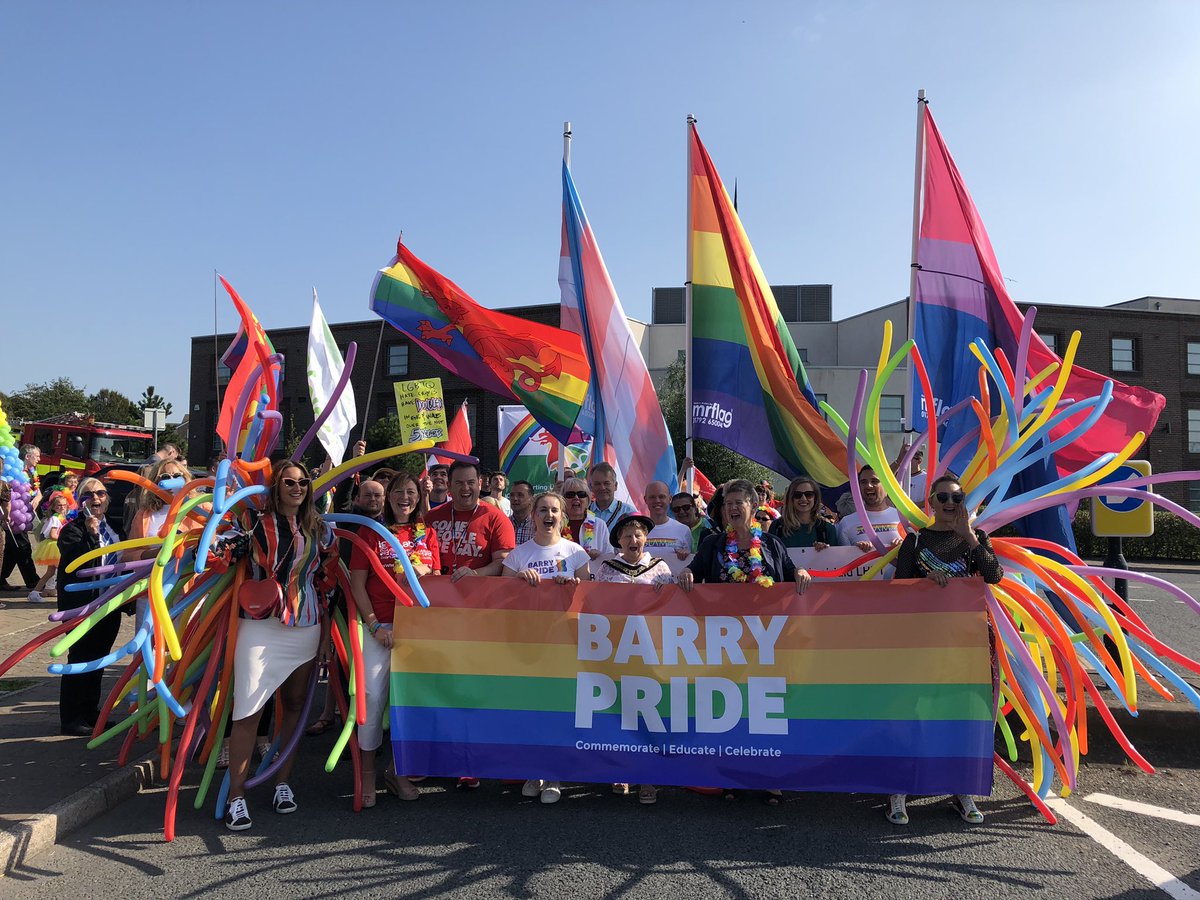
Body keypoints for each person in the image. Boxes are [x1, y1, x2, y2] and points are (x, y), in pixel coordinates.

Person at [216, 460, 338, 832]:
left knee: (296, 707)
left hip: (305, 625)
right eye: (289, 481)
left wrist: (326, 635)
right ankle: (237, 795)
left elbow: (328, 584)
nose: (297, 487)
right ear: (276, 485)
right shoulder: (253, 521)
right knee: (248, 710)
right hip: (259, 624)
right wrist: (216, 540)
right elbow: (219, 554)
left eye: (303, 481)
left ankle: (282, 782)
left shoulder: (322, 529)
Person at [677, 479, 811, 806]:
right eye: (728, 504)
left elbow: (791, 571)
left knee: (765, 709)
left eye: (740, 502)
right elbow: (695, 569)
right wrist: (689, 575)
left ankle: (770, 779)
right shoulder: (712, 544)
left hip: (766, 642)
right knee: (730, 708)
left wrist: (802, 573)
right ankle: (731, 775)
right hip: (726, 641)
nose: (733, 508)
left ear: (753, 507)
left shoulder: (771, 544)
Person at [888, 473, 1003, 827]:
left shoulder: (976, 538)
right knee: (914, 712)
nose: (951, 504)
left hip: (966, 641)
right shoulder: (916, 540)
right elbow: (898, 588)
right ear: (932, 503)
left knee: (963, 712)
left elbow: (994, 575)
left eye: (957, 497)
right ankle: (898, 789)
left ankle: (962, 789)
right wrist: (924, 584)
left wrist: (969, 537)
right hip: (923, 639)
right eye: (944, 498)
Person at [348, 472, 439, 806]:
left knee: (410, 704)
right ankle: (368, 773)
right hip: (381, 626)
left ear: (418, 497)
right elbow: (358, 585)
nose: (405, 497)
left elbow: (436, 579)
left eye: (411, 492)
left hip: (418, 629)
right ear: (387, 497)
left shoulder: (427, 533)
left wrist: (429, 573)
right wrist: (374, 626)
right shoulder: (371, 533)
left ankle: (397, 771)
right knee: (372, 700)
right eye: (398, 491)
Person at [504, 491, 590, 804]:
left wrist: (574, 588)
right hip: (528, 643)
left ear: (562, 516)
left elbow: (591, 599)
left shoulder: (576, 552)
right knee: (531, 708)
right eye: (543, 510)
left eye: (555, 510)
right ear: (533, 516)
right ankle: (534, 770)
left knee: (558, 709)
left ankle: (554, 774)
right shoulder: (517, 555)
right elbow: (499, 600)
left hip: (565, 643)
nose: (549, 515)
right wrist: (517, 582)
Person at [56, 478, 124, 736]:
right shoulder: (72, 530)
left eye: (100, 494)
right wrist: (92, 534)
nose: (95, 499)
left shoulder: (116, 529)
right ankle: (71, 718)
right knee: (80, 659)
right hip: (82, 608)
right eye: (88, 495)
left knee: (98, 661)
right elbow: (79, 561)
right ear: (79, 500)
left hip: (109, 607)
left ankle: (91, 712)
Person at [426, 460, 515, 581]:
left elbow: (503, 562)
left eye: (470, 482)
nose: (465, 488)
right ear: (449, 485)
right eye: (459, 483)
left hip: (478, 595)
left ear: (479, 484)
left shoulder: (496, 519)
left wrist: (475, 574)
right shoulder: (431, 516)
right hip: (436, 593)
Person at [835, 466, 904, 551]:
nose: (869, 486)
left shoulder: (903, 518)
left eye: (874, 481)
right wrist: (855, 551)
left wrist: (904, 547)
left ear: (886, 486)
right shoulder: (846, 523)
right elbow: (842, 559)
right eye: (863, 482)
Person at [770, 478, 839, 550]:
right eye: (797, 495)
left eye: (809, 494)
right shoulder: (777, 527)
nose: (803, 498)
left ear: (815, 498)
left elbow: (836, 559)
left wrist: (826, 550)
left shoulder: (827, 529)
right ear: (790, 498)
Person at [29, 491, 71, 602]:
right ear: (53, 507)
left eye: (64, 505)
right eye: (59, 505)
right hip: (54, 547)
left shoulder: (58, 518)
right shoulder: (55, 519)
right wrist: (64, 539)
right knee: (62, 571)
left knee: (51, 572)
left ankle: (39, 592)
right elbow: (53, 535)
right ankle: (36, 593)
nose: (62, 507)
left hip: (54, 546)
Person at [560, 477, 610, 561]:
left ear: (588, 499)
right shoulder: (556, 525)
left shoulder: (599, 524)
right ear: (562, 500)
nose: (576, 498)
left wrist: (600, 555)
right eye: (570, 495)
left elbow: (609, 555)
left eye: (581, 494)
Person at [643, 481, 691, 561]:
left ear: (670, 499)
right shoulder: (637, 530)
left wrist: (686, 553)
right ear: (645, 500)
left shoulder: (683, 530)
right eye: (652, 497)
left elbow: (689, 563)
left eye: (662, 496)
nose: (657, 500)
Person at [587, 462, 637, 530]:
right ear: (591, 487)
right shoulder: (584, 512)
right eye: (597, 484)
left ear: (615, 486)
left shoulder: (628, 512)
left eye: (606, 483)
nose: (602, 488)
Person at [508, 480, 535, 545]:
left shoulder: (538, 525)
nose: (515, 498)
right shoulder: (504, 523)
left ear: (531, 499)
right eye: (512, 495)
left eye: (520, 495)